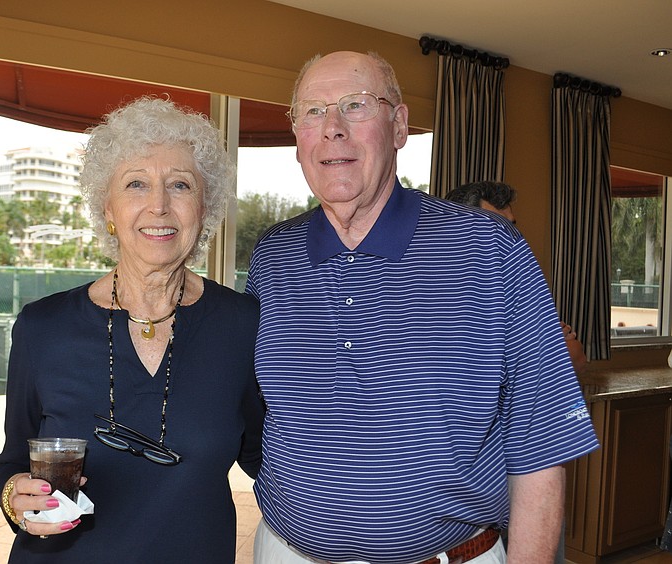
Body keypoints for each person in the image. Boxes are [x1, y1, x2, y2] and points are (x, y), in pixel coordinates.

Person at [245, 51, 599, 564]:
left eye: (355, 105)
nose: (333, 129)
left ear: (399, 126)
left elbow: (541, 440)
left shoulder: (489, 249)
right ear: (297, 136)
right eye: (312, 111)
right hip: (286, 552)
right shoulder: (273, 256)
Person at [0, 97, 264, 563]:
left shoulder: (243, 324)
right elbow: (13, 462)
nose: (159, 206)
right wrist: (16, 496)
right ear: (108, 208)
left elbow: (274, 459)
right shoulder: (43, 327)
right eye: (136, 184)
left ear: (204, 208)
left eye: (180, 184)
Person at [445, 180, 589, 374]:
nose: (509, 236)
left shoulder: (515, 285)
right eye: (496, 226)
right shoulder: (442, 294)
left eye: (511, 226)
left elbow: (577, 356)